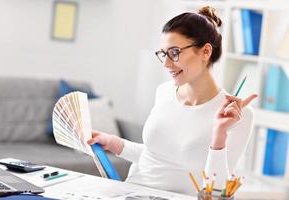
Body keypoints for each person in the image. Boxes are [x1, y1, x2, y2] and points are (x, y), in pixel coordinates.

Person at [88, 6, 257, 195]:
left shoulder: (237, 115)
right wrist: (114, 143)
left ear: (205, 52)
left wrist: (219, 135)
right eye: (163, 54)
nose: (167, 64)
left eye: (174, 52)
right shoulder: (164, 92)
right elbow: (157, 156)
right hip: (129, 192)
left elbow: (217, 193)